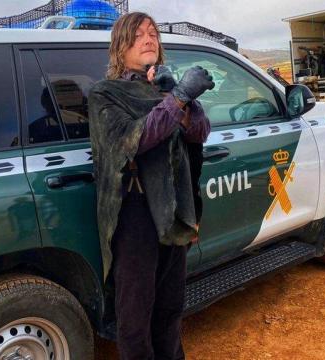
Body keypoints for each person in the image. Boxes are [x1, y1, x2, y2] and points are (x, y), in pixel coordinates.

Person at [88, 12, 213, 360]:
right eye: (138, 35)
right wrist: (178, 98)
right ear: (120, 47)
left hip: (173, 206)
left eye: (153, 34)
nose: (149, 40)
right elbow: (135, 138)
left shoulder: (166, 88)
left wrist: (177, 94)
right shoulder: (105, 93)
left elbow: (198, 132)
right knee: (135, 316)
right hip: (134, 213)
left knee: (170, 306)